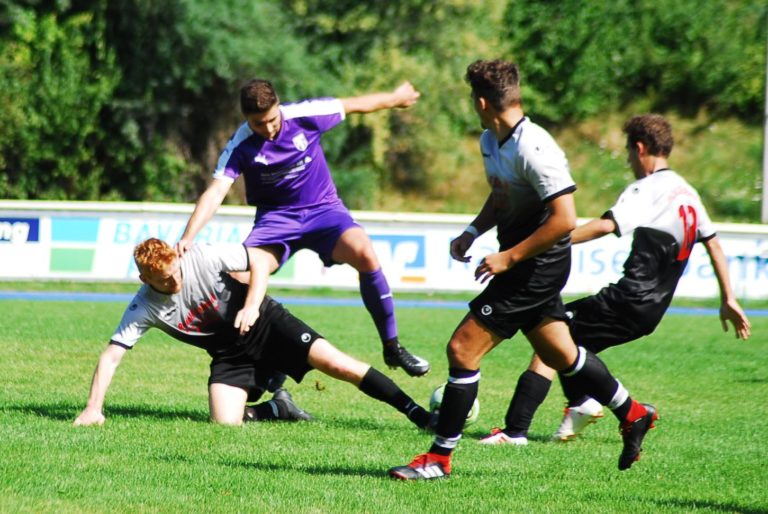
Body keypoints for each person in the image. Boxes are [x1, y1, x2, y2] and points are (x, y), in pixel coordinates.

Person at [388, 59, 657, 480]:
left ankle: (439, 459)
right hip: (526, 265)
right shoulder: (491, 140)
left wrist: (508, 257)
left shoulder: (536, 147)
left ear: (481, 101)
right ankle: (634, 412)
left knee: (462, 348)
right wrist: (473, 231)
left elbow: (564, 220)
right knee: (562, 354)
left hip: (537, 267)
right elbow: (500, 198)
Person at [479, 114, 752, 446]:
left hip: (629, 299)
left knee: (552, 341)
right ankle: (581, 405)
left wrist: (550, 240)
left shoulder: (649, 187)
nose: (627, 161)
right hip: (652, 309)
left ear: (639, 148)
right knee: (569, 343)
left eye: (627, 153)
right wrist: (729, 298)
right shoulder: (688, 192)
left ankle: (519, 430)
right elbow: (713, 243)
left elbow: (605, 225)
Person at [175, 79, 429, 377]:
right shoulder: (240, 145)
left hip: (324, 210)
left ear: (278, 106)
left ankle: (392, 347)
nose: (268, 129)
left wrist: (395, 97)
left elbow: (355, 104)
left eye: (271, 119)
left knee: (366, 254)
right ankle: (259, 364)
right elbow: (216, 192)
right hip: (276, 221)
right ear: (246, 119)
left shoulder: (305, 115)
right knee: (241, 280)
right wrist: (188, 236)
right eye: (258, 124)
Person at [73, 238, 436, 432]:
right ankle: (278, 407)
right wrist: (93, 408)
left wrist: (251, 304)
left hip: (266, 324)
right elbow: (112, 355)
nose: (175, 281)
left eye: (174, 272)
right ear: (144, 281)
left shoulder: (200, 256)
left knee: (338, 365)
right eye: (163, 280)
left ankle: (419, 415)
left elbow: (260, 260)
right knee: (224, 423)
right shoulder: (144, 306)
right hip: (230, 354)